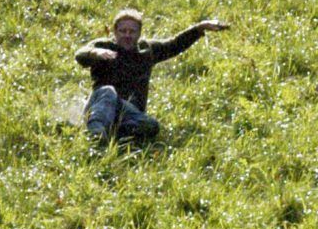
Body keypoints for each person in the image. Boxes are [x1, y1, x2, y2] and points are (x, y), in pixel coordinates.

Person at [75, 11, 227, 145]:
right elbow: (80, 54)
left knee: (151, 126)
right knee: (108, 91)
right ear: (115, 32)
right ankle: (95, 133)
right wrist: (96, 54)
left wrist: (200, 28)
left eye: (132, 32)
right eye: (122, 31)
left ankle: (114, 135)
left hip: (129, 111)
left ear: (139, 33)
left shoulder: (147, 50)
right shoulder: (103, 46)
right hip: (101, 105)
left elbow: (174, 45)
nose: (127, 35)